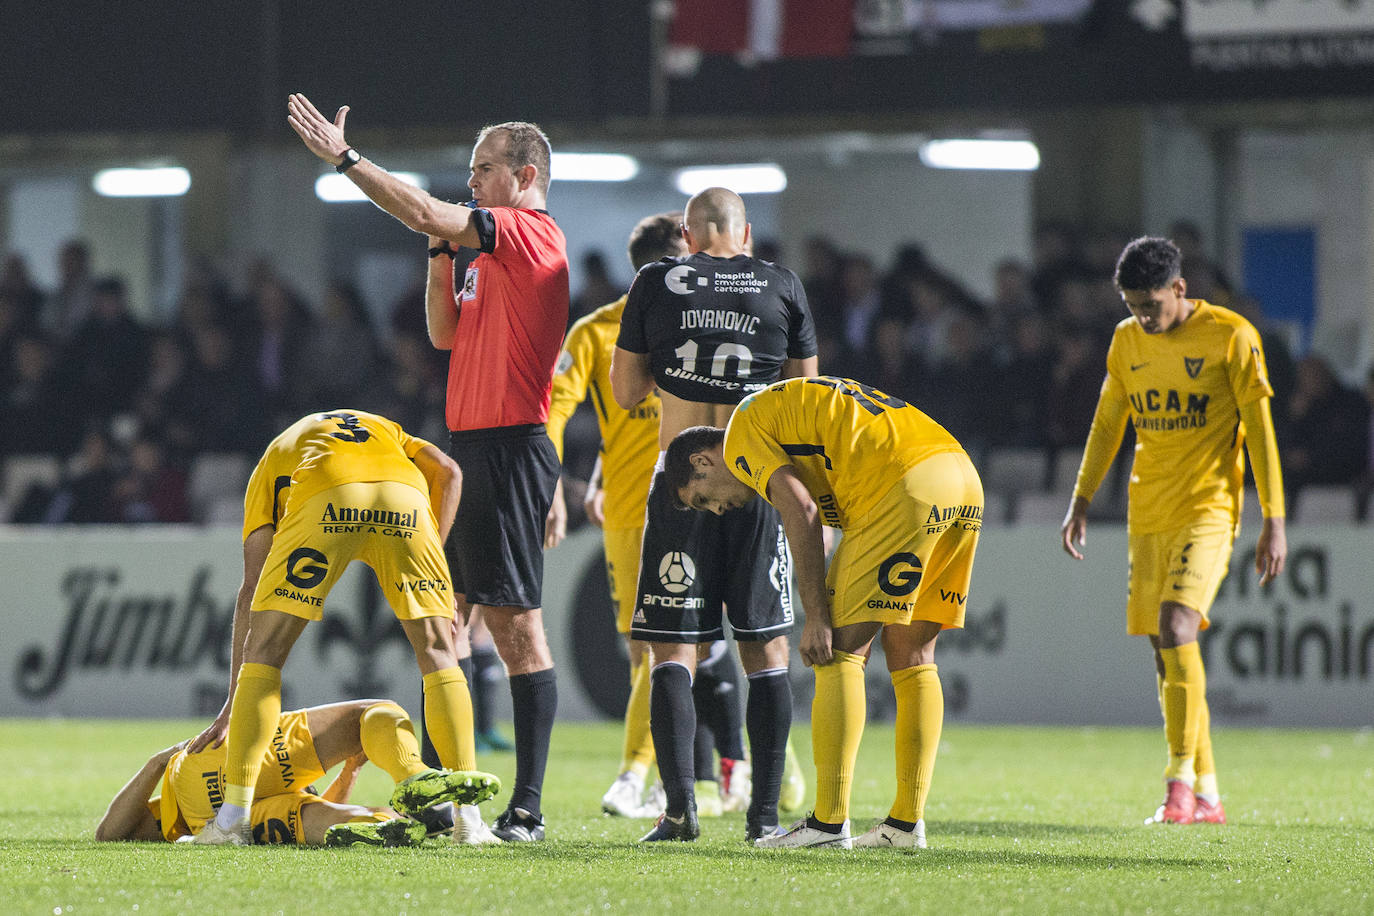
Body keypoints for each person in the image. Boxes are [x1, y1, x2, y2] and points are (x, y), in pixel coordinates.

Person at [288, 95, 569, 842]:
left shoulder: (530, 234)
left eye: (483, 168)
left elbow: (424, 212)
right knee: (442, 623)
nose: (471, 180)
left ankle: (528, 808)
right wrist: (442, 251)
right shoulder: (488, 253)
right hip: (467, 451)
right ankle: (444, 800)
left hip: (511, 448)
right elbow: (445, 333)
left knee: (515, 628)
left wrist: (349, 161)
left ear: (525, 172)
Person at [667, 375, 982, 849]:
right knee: (914, 656)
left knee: (836, 653)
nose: (716, 510)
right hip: (960, 477)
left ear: (702, 460)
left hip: (901, 484)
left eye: (702, 497)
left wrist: (815, 613)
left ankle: (828, 825)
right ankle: (904, 824)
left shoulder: (739, 437)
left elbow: (801, 508)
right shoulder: (779, 414)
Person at [610, 188, 817, 842]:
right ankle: (762, 819)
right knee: (765, 649)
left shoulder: (655, 280)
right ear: (746, 233)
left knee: (673, 651)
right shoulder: (782, 284)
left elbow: (625, 390)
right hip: (756, 480)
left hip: (679, 483)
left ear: (689, 238)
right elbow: (806, 400)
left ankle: (678, 813)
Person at [189, 409, 498, 845]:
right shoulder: (386, 428)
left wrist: (232, 702)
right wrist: (435, 560)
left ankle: (231, 821)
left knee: (266, 654)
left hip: (326, 498)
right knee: (438, 651)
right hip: (405, 503)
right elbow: (447, 471)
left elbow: (250, 591)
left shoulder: (274, 459)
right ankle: (470, 823)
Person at [1061, 237, 1287, 826]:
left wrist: (1274, 521)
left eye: (1151, 305)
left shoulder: (1231, 337)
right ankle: (1208, 793)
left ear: (1180, 290)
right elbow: (1109, 420)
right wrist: (1082, 498)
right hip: (1148, 511)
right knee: (1169, 653)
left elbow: (1260, 432)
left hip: (1209, 508)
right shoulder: (1125, 341)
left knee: (1178, 624)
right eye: (1133, 306)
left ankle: (1179, 784)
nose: (1143, 317)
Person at [97, 699, 498, 847]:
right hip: (241, 805)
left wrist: (160, 762)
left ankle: (388, 821)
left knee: (371, 717)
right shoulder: (171, 816)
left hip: (208, 799)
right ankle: (409, 779)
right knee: (374, 720)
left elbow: (107, 833)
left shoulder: (176, 812)